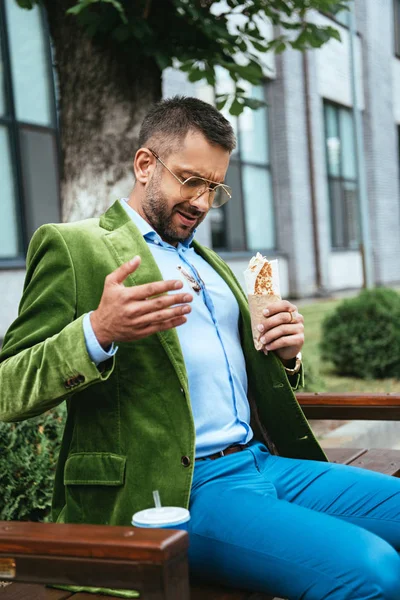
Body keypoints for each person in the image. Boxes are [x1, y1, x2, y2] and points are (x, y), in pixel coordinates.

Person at [1, 96, 400, 600]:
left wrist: (288, 356)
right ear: (146, 164)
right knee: (374, 573)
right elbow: (7, 386)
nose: (202, 203)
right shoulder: (76, 247)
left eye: (215, 187)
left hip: (262, 461)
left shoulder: (209, 261)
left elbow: (229, 371)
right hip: (179, 490)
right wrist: (97, 332)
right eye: (191, 181)